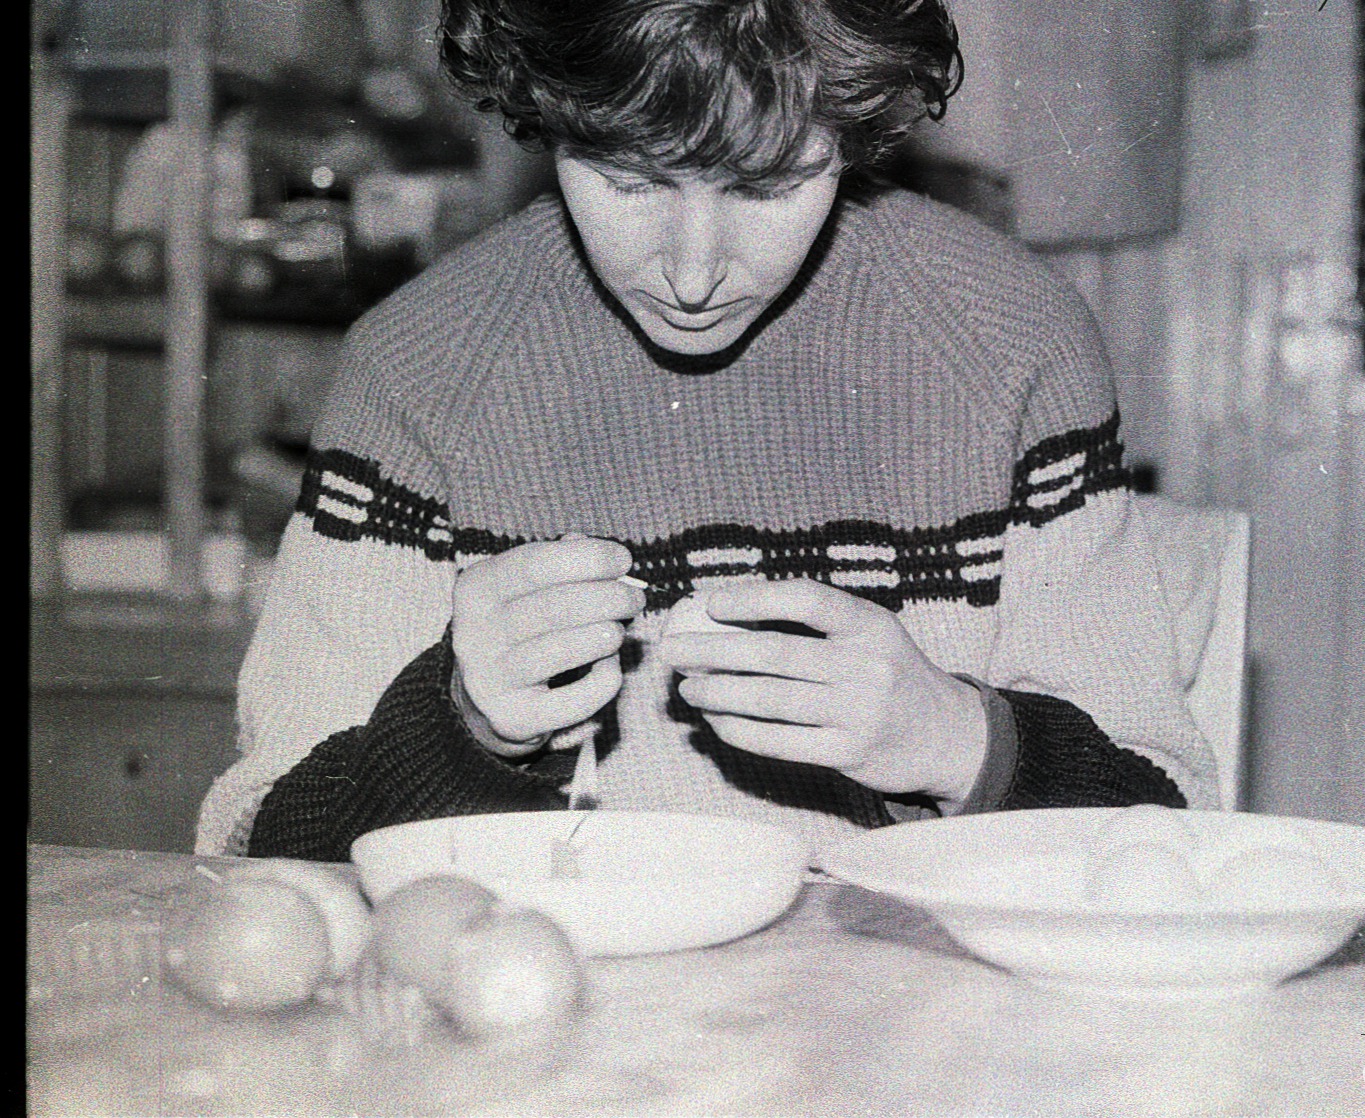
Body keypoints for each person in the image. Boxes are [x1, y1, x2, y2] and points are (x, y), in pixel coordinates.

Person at [196, 0, 1219, 863]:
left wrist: (954, 739)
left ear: (856, 122)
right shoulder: (419, 366)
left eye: (768, 182)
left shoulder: (1008, 343)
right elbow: (255, 856)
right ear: (543, 115)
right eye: (627, 178)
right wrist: (459, 726)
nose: (691, 272)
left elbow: (1168, 839)